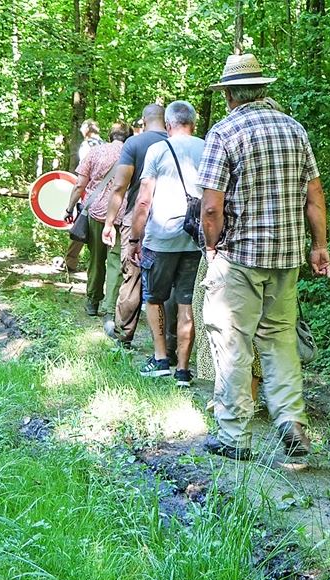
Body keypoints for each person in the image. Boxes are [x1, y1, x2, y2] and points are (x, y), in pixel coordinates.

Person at [197, 53, 330, 461]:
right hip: (286, 258)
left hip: (238, 256)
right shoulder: (295, 130)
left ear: (230, 96)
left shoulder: (224, 132)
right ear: (263, 89)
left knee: (233, 342)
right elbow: (315, 196)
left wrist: (212, 244)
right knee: (279, 342)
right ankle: (291, 420)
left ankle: (234, 436)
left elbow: (211, 207)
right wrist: (319, 245)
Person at [129, 101, 204, 387]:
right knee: (187, 303)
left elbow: (144, 199)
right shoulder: (207, 146)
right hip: (195, 239)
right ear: (193, 124)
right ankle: (183, 371)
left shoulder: (157, 150)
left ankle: (161, 359)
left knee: (154, 298)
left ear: (169, 125)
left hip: (160, 238)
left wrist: (135, 238)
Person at [102, 104, 170, 349]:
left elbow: (119, 187)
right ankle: (169, 347)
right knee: (170, 281)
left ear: (143, 120)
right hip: (171, 219)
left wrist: (109, 222)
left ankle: (124, 335)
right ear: (166, 120)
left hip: (137, 217)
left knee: (132, 277)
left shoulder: (134, 144)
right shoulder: (178, 142)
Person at [64, 122, 127, 316]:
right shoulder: (133, 153)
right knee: (116, 262)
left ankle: (93, 302)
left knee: (96, 260)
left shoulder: (95, 152)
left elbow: (79, 185)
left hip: (97, 213)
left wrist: (70, 208)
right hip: (123, 215)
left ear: (110, 135)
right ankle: (110, 306)